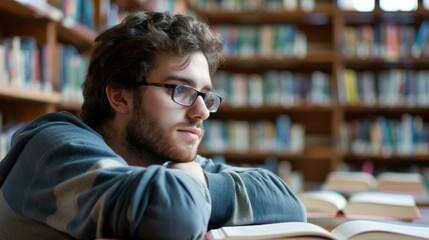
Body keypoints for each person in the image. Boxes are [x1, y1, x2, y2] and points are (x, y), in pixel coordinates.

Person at [0, 11, 306, 239]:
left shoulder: (166, 159)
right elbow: (171, 215)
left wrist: (196, 176)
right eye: (180, 90)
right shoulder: (54, 149)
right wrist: (195, 180)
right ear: (119, 96)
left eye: (206, 95)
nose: (202, 111)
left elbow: (287, 202)